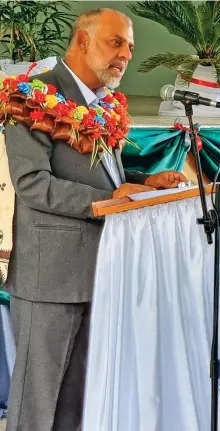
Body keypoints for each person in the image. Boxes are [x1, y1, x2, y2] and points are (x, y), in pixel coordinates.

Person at [4, 9, 187, 431]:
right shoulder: (32, 94)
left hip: (98, 273)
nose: (125, 54)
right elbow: (32, 183)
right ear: (83, 41)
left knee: (77, 405)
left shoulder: (103, 105)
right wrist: (110, 198)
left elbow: (106, 179)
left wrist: (144, 181)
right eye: (116, 42)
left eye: (130, 47)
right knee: (36, 405)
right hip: (48, 278)